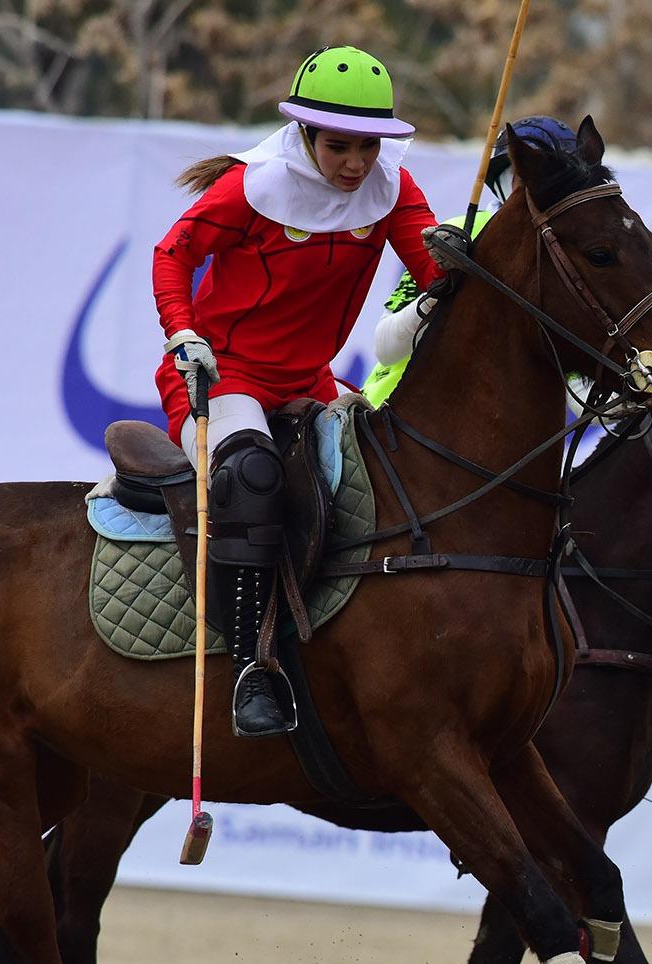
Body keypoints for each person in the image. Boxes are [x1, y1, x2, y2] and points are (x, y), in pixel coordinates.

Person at [152, 45, 443, 738]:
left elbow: (432, 270)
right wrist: (182, 330)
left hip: (310, 381)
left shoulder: (393, 187)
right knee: (252, 476)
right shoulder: (250, 187)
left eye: (369, 147)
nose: (356, 164)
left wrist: (456, 272)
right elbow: (173, 254)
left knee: (390, 468)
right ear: (305, 134)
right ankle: (252, 668)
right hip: (224, 376)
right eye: (339, 146)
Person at [362, 116, 579, 408]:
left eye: (555, 179)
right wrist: (437, 294)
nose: (539, 190)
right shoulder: (456, 235)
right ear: (501, 179)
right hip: (394, 416)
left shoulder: (571, 258)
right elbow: (386, 348)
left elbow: (579, 394)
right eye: (525, 175)